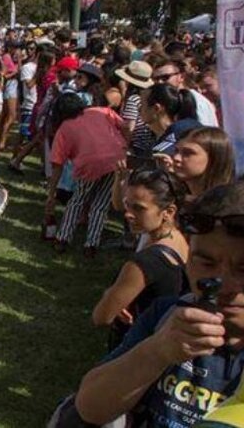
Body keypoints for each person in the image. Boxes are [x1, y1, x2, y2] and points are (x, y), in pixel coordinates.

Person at [73, 181, 244, 425]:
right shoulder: (167, 315)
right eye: (206, 263)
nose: (222, 285)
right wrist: (157, 351)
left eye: (243, 268)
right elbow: (89, 407)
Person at [96, 168, 189, 350]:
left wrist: (111, 296)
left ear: (168, 211)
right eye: (127, 205)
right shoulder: (183, 243)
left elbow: (101, 316)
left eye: (138, 208)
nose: (128, 214)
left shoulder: (145, 262)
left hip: (134, 348)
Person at [45, 93, 128, 257]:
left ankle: (63, 239)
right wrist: (125, 146)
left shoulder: (64, 128)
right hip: (117, 160)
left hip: (89, 165)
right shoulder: (102, 111)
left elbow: (57, 165)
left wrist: (51, 193)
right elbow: (125, 126)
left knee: (77, 201)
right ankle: (91, 244)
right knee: (101, 204)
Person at [171, 127, 236, 202]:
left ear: (214, 157)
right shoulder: (173, 202)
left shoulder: (231, 205)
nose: (176, 158)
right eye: (176, 151)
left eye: (188, 153)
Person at [142, 83, 200, 159]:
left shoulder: (166, 152)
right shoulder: (157, 139)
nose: (139, 109)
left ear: (156, 109)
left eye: (142, 105)